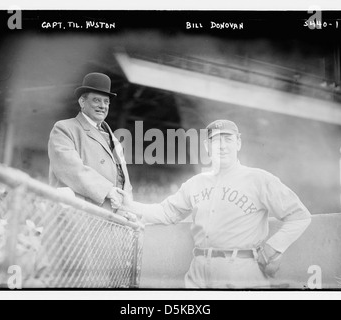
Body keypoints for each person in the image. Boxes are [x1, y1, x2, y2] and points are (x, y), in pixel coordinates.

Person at [116, 119, 312, 288]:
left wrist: (272, 247)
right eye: (216, 140)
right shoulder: (195, 183)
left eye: (228, 139)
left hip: (241, 269)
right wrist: (129, 205)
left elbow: (299, 215)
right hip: (198, 270)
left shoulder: (259, 179)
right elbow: (166, 212)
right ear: (207, 146)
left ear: (238, 143)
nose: (222, 146)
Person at [48, 72, 132, 212]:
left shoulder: (114, 139)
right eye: (96, 100)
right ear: (82, 102)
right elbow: (72, 169)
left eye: (106, 102)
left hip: (111, 219)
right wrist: (108, 191)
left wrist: (128, 208)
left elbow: (125, 181)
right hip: (78, 217)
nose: (102, 106)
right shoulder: (64, 129)